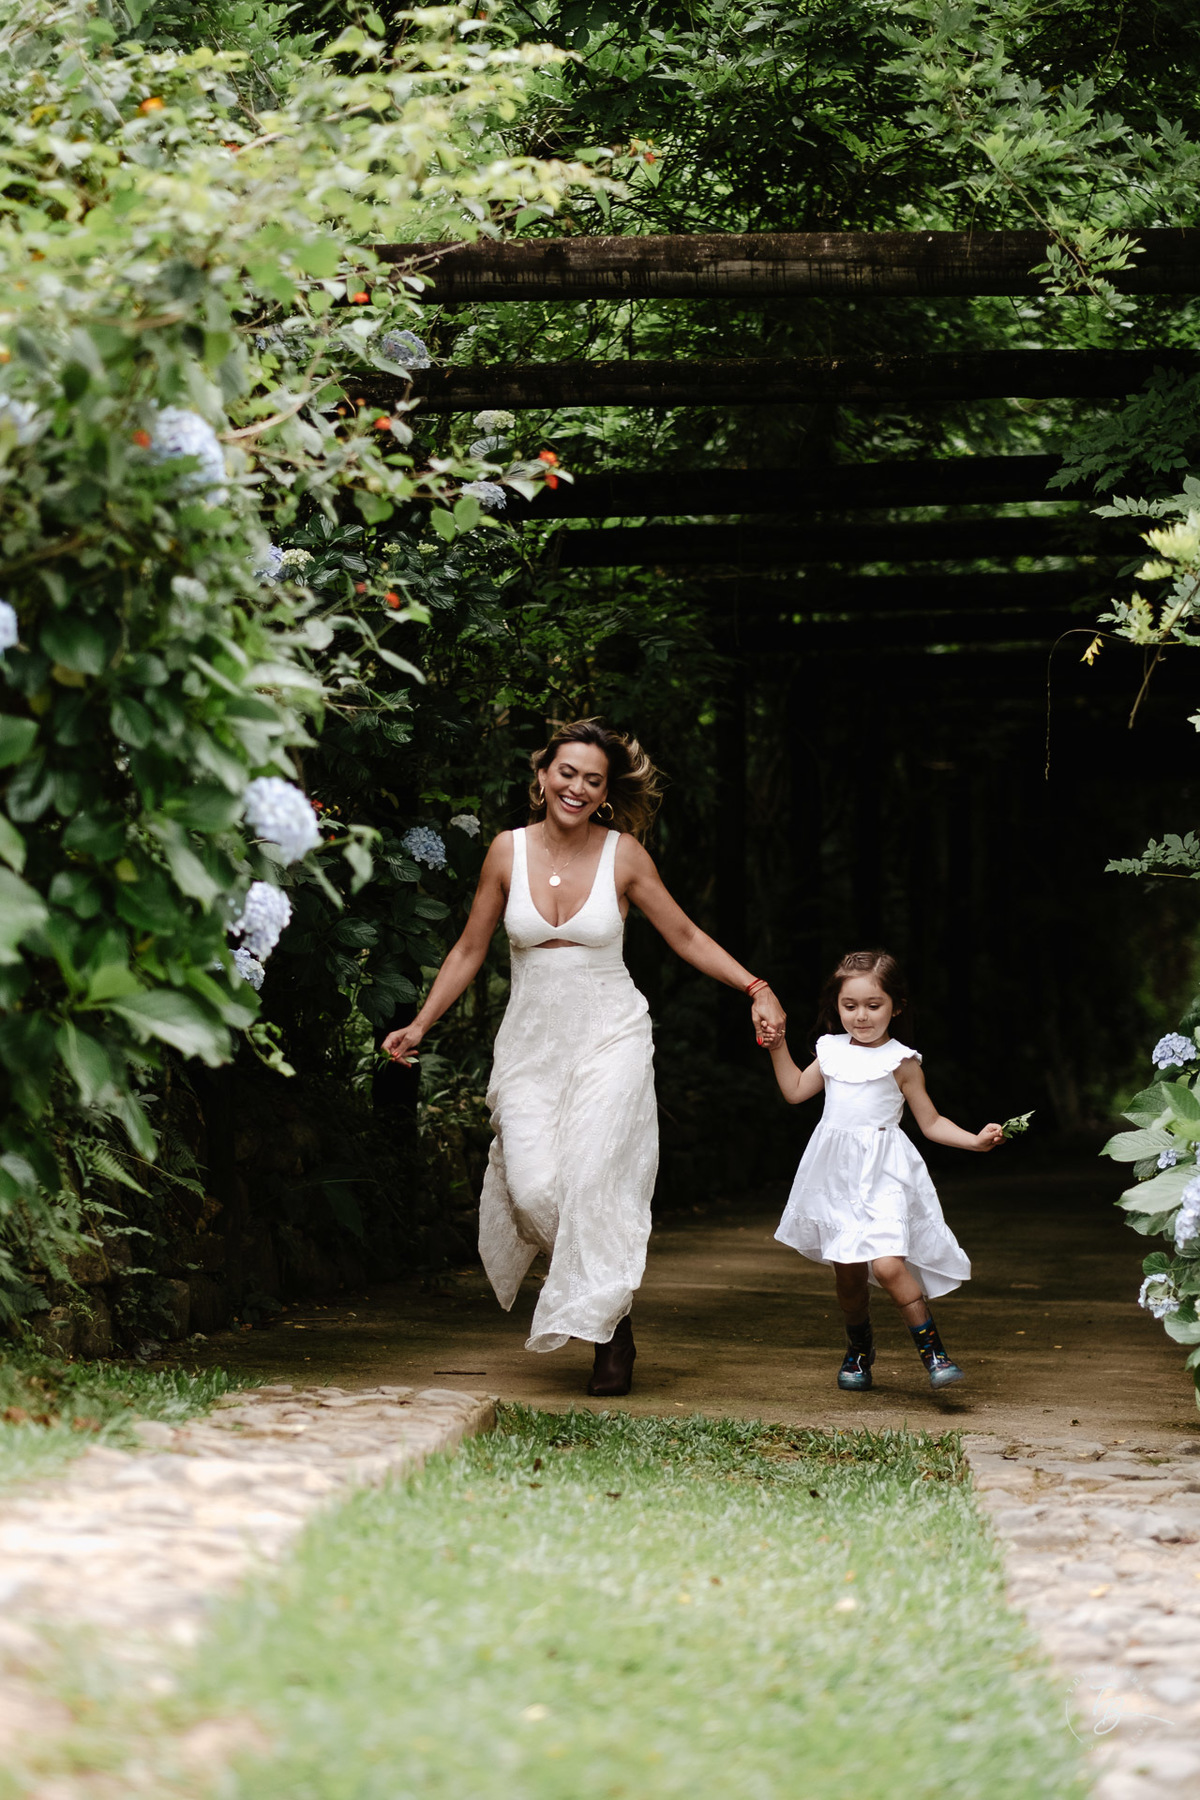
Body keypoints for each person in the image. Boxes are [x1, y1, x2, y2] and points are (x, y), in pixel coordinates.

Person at [383, 718, 785, 1397]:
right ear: (542, 777)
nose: (577, 787)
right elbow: (469, 950)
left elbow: (683, 933)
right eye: (566, 773)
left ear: (604, 795)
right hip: (531, 1044)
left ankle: (605, 1330)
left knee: (595, 1178)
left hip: (611, 1034)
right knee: (534, 1189)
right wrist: (421, 1023)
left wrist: (756, 985)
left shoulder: (623, 856)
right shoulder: (505, 852)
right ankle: (614, 1312)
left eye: (592, 781)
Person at [766, 949, 1003, 1391]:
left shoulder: (902, 1062)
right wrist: (778, 1047)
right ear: (836, 1007)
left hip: (884, 1174)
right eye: (849, 1006)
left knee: (890, 1265)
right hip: (834, 1178)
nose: (861, 1016)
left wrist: (974, 1139)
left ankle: (934, 1354)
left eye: (873, 1006)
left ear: (897, 1006)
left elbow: (930, 1123)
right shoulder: (831, 1051)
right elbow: (796, 1091)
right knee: (850, 1276)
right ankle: (859, 1349)